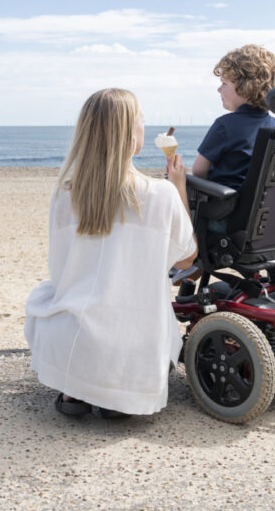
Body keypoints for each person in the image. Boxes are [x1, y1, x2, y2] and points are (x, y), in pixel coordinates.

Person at [24, 88, 197, 418]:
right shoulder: (160, 195)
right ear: (130, 133)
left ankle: (76, 389)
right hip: (135, 346)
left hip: (71, 338)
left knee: (46, 295)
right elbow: (187, 258)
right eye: (141, 120)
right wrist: (179, 188)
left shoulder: (65, 194)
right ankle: (116, 394)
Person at [192, 44, 275, 190]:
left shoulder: (224, 125)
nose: (219, 89)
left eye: (224, 83)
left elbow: (198, 171)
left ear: (245, 88)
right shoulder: (274, 126)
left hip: (223, 208)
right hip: (258, 207)